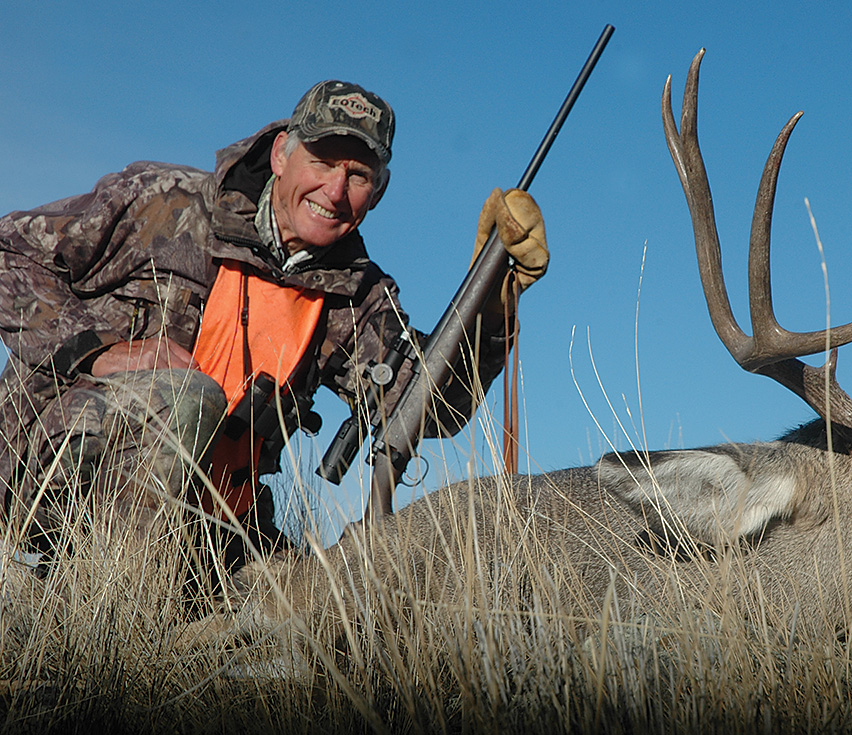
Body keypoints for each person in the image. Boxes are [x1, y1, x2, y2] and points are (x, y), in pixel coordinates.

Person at [0, 80, 548, 576]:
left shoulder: (357, 297)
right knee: (187, 398)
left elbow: (431, 409)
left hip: (212, 529)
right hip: (47, 473)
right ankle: (110, 610)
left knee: (320, 601)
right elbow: (10, 250)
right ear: (282, 153)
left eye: (357, 175)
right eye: (323, 161)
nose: (335, 191)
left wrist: (493, 304)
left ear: (377, 193)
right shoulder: (163, 202)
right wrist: (99, 351)